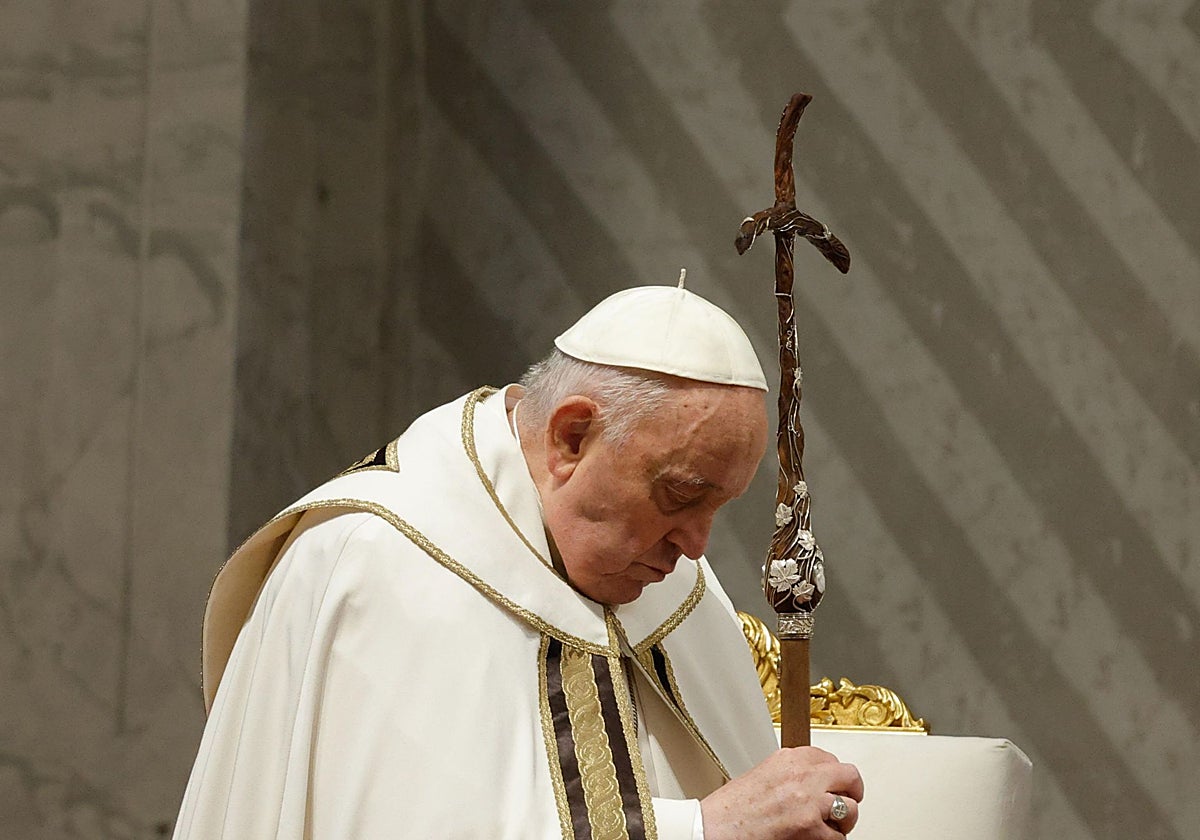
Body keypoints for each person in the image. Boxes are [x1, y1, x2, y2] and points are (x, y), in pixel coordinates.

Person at [173, 283, 863, 839]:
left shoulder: (675, 588)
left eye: (721, 507)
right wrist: (708, 831)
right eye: (679, 495)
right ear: (570, 437)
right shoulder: (377, 565)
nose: (697, 546)